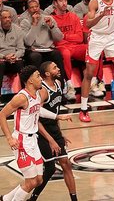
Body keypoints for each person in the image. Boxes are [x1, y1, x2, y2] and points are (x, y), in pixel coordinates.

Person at [0, 65, 72, 201]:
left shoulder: (38, 94)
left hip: (33, 140)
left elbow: (38, 110)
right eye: (38, 76)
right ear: (30, 81)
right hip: (21, 140)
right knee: (31, 181)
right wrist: (9, 138)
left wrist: (58, 117)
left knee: (38, 180)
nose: (41, 79)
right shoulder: (21, 98)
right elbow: (2, 115)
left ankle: (6, 199)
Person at [27, 61, 77, 201]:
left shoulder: (59, 85)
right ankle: (32, 197)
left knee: (66, 164)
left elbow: (56, 111)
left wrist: (60, 134)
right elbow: (37, 117)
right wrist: (51, 140)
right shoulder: (43, 90)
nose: (58, 69)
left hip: (54, 130)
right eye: (54, 68)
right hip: (41, 131)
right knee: (49, 169)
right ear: (47, 73)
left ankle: (74, 199)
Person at [50, 0, 87, 100]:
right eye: (61, 1)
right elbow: (56, 40)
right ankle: (69, 85)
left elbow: (79, 38)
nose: (64, 3)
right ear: (55, 3)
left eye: (65, 0)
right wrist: (68, 37)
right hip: (61, 47)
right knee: (65, 53)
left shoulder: (73, 16)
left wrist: (64, 36)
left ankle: (94, 82)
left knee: (92, 49)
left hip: (75, 46)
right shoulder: (51, 18)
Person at [0, 10, 25, 103]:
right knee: (0, 65)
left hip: (13, 59)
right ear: (0, 19)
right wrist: (4, 56)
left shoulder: (17, 30)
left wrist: (14, 56)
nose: (8, 20)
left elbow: (21, 49)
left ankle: (26, 95)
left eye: (9, 17)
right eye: (5, 18)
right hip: (1, 59)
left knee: (20, 64)